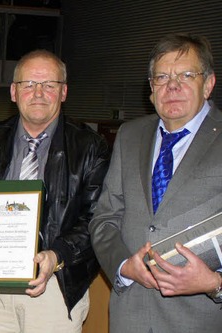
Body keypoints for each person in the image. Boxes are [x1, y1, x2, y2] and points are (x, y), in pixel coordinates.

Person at [0, 49, 110, 333]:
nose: (38, 93)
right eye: (28, 84)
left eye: (49, 85)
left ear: (63, 92)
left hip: (54, 287)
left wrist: (56, 254)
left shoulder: (90, 147)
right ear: (14, 92)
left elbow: (98, 217)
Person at [89, 33, 222, 332]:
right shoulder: (129, 135)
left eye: (186, 75)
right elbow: (105, 217)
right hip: (130, 316)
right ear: (151, 89)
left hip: (200, 318)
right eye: (162, 77)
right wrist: (123, 266)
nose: (172, 85)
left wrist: (214, 283)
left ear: (209, 83)